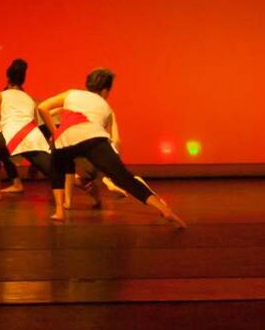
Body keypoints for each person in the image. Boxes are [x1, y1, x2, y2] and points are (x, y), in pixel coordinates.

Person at [38, 68, 185, 227]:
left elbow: (42, 107)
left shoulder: (71, 94)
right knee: (124, 177)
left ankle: (59, 211)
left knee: (58, 167)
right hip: (94, 138)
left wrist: (55, 131)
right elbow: (101, 130)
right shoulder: (106, 107)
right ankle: (164, 210)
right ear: (105, 90)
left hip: (66, 139)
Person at [0, 59, 52, 200]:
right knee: (55, 172)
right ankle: (82, 183)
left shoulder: (0, 96)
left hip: (11, 136)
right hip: (32, 135)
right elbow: (35, 122)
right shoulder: (30, 98)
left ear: (7, 78)